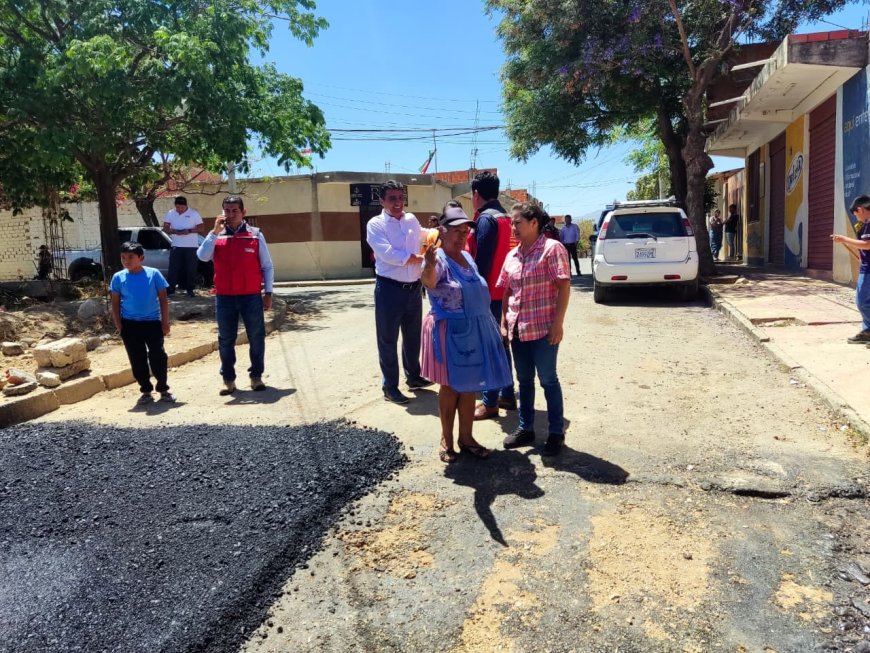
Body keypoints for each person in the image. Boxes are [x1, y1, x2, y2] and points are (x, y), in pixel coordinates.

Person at [420, 204, 512, 463]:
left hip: (472, 331)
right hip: (449, 331)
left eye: (465, 232)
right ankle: (447, 440)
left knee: (470, 384)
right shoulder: (438, 258)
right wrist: (428, 264)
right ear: (442, 231)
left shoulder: (468, 258)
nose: (462, 236)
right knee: (450, 386)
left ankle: (467, 438)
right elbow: (428, 282)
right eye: (456, 231)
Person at [497, 202, 571, 456]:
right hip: (518, 330)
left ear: (534, 223)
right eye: (512, 223)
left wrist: (558, 323)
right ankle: (525, 428)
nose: (513, 228)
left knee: (548, 380)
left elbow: (563, 287)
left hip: (543, 330)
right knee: (524, 381)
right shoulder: (512, 255)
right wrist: (504, 322)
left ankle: (556, 432)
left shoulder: (552, 249)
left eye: (517, 222)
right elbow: (507, 291)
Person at [196, 195, 274, 395]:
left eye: (234, 211)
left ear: (243, 212)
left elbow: (267, 266)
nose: (230, 215)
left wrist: (268, 293)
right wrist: (214, 232)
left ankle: (256, 377)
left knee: (256, 336)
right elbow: (202, 257)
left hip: (251, 296)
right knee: (226, 339)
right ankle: (228, 380)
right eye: (227, 211)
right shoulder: (216, 236)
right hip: (225, 297)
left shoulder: (255, 235)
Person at [366, 180, 433, 404]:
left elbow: (423, 234)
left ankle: (413, 377)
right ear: (382, 201)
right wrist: (416, 258)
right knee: (388, 339)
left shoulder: (410, 219)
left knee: (413, 337)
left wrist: (439, 232)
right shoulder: (375, 225)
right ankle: (390, 387)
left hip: (414, 288)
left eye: (400, 197)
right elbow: (387, 254)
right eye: (392, 198)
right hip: (389, 289)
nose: (397, 202)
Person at [468, 171, 518, 421]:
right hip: (507, 291)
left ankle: (489, 402)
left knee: (490, 348)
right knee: (501, 345)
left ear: (476, 194)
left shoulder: (486, 220)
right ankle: (507, 394)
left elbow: (482, 262)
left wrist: (473, 292)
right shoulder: (508, 218)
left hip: (490, 294)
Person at [109, 241, 175, 405]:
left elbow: (163, 299)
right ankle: (145, 390)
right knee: (137, 358)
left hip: (152, 323)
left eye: (131, 257)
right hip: (130, 325)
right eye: (123, 257)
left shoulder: (154, 274)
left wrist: (165, 323)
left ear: (141, 258)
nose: (127, 261)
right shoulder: (118, 277)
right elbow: (115, 303)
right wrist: (119, 325)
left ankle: (163, 389)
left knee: (158, 356)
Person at [832, 194, 870, 344]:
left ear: (860, 210)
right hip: (866, 266)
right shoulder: (864, 224)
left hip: (868, 270)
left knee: (862, 301)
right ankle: (867, 332)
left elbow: (867, 244)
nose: (856, 217)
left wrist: (844, 239)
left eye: (855, 214)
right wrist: (862, 257)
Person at [163, 196, 204, 297]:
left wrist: (189, 231)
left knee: (191, 269)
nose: (180, 209)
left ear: (186, 206)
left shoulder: (194, 213)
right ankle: (171, 289)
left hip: (191, 246)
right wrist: (174, 231)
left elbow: (201, 228)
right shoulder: (170, 213)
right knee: (173, 268)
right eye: (178, 207)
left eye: (182, 207)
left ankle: (190, 290)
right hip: (176, 245)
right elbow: (166, 228)